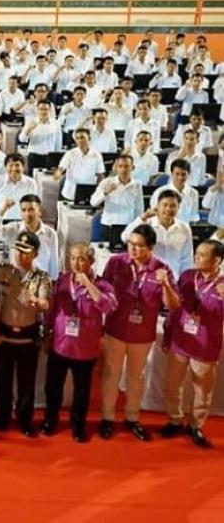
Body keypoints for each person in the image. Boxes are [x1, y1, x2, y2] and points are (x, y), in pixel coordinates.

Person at [100, 224, 179, 441]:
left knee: (136, 377)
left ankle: (132, 418)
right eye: (131, 244)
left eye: (139, 246)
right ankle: (107, 417)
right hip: (116, 329)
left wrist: (166, 286)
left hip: (142, 334)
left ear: (151, 247)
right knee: (110, 375)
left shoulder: (162, 269)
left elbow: (172, 305)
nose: (133, 249)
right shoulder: (116, 263)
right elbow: (104, 292)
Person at [42, 243, 118, 443]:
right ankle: (51, 419)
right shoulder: (62, 281)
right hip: (60, 343)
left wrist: (88, 283)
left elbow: (108, 307)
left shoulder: (102, 285)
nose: (75, 263)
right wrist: (48, 330)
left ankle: (78, 424)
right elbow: (53, 309)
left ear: (92, 261)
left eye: (81, 258)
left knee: (82, 390)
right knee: (53, 387)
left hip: (85, 348)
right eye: (73, 258)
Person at [160, 239, 224, 449]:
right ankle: (175, 419)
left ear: (217, 260)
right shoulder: (188, 277)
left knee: (202, 391)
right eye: (196, 253)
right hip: (181, 341)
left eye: (203, 255)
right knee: (172, 386)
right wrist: (168, 333)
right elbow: (175, 307)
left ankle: (196, 425)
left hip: (205, 346)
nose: (197, 257)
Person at [0, 231, 52, 436]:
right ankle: (3, 417)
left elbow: (45, 302)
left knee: (27, 381)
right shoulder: (4, 272)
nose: (20, 255)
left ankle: (25, 419)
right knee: (2, 380)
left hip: (28, 336)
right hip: (5, 335)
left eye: (26, 252)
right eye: (18, 250)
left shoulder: (41, 277)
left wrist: (36, 301)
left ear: (35, 254)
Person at [121, 189, 193, 278]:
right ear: (158, 206)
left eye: (173, 206)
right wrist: (142, 218)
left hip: (174, 278)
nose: (168, 209)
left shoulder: (184, 228)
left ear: (178, 208)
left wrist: (185, 280)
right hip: (148, 277)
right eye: (165, 205)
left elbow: (187, 259)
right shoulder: (147, 223)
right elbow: (125, 237)